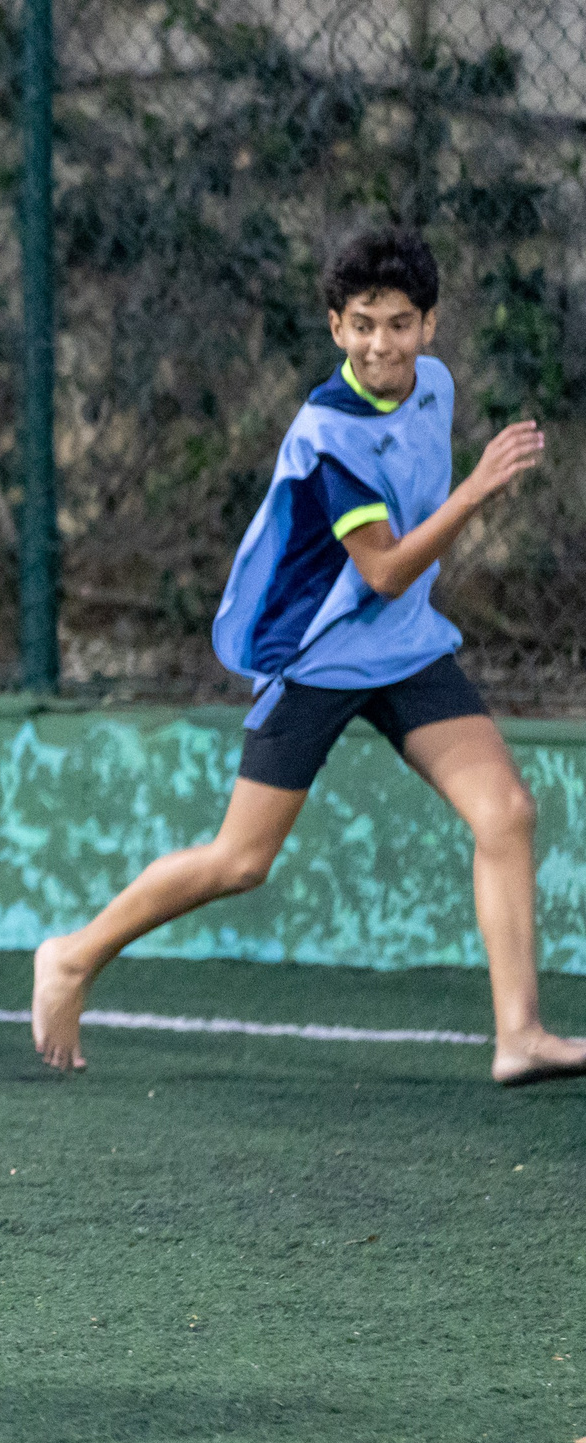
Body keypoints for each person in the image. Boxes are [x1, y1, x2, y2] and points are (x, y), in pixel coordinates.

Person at [32, 226, 586, 1086]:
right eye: (362, 324)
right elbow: (387, 565)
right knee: (241, 861)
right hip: (321, 655)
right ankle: (72, 955)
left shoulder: (432, 386)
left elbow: (403, 579)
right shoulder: (330, 434)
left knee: (506, 812)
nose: (381, 343)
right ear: (336, 328)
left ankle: (519, 1036)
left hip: (401, 647)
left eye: (399, 323)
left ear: (430, 326)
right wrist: (479, 489)